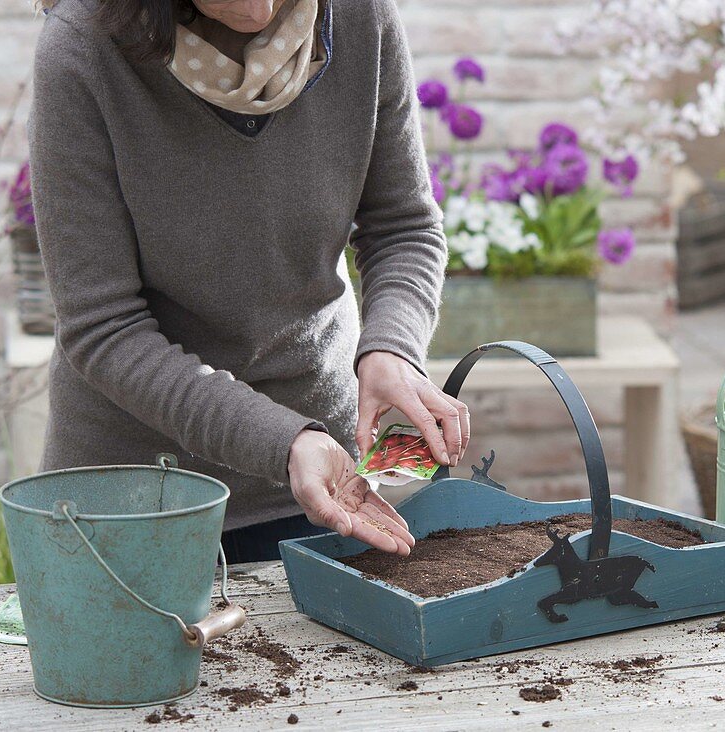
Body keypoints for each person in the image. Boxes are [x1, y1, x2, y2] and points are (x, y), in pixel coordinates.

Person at [29, 0, 468, 562]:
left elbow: (402, 225)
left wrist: (391, 348)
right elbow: (103, 329)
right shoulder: (83, 47)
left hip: (322, 480)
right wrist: (281, 441)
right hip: (136, 497)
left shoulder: (361, 17)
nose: (258, 6)